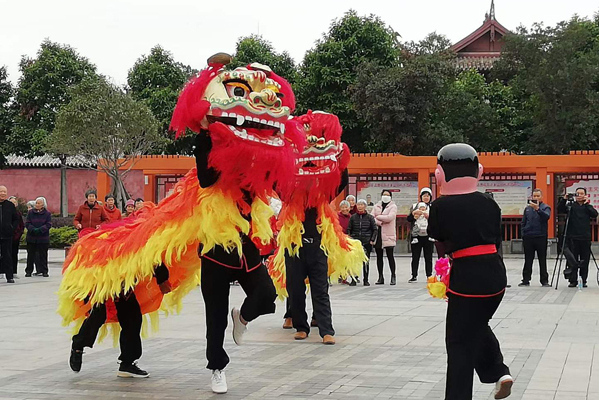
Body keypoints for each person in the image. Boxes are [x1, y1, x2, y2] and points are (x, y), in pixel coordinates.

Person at [428, 143, 512, 400]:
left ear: (440, 174)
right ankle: (499, 372)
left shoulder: (441, 206)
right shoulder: (489, 202)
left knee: (458, 343)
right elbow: (496, 236)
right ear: (479, 171)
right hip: (495, 276)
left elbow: (436, 236)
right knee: (476, 324)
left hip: (467, 278)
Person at [69, 263, 171, 377]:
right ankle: (78, 346)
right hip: (100, 278)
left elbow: (148, 254)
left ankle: (127, 364)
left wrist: (162, 278)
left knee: (132, 319)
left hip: (124, 281)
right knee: (98, 315)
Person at [558, 187, 598, 288]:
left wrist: (587, 203)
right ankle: (573, 280)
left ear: (585, 195)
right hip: (572, 237)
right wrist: (564, 199)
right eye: (577, 193)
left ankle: (583, 279)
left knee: (585, 259)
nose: (579, 195)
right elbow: (560, 210)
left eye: (581, 193)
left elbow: (594, 214)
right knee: (573, 260)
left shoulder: (587, 207)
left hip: (585, 237)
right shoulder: (571, 206)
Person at [519, 189, 551, 287]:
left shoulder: (545, 207)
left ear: (541, 197)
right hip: (528, 237)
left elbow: (546, 217)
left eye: (538, 196)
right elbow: (523, 222)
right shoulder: (527, 208)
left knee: (542, 259)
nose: (536, 198)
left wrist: (538, 209)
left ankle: (544, 280)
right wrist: (523, 232)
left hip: (540, 236)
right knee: (528, 259)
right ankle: (525, 279)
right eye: (534, 196)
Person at [407, 188, 435, 282]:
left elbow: (437, 219)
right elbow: (409, 219)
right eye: (424, 196)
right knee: (415, 256)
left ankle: (429, 275)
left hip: (428, 235)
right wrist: (414, 214)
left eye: (428, 196)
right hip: (416, 235)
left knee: (429, 257)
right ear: (421, 197)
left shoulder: (433, 206)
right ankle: (414, 275)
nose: (426, 197)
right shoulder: (415, 206)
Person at [347, 199, 377, 286]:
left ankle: (366, 279)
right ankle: (354, 279)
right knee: (354, 261)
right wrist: (350, 237)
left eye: (362, 205)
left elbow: (374, 229)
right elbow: (349, 228)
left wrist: (372, 239)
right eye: (358, 205)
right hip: (355, 242)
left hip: (366, 241)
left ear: (365, 206)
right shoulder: (353, 217)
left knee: (365, 261)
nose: (360, 206)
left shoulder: (370, 217)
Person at [372, 190, 397, 285]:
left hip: (388, 234)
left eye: (387, 195)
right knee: (379, 257)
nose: (385, 196)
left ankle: (393, 276)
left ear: (390, 196)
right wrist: (380, 221)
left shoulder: (393, 206)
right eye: (384, 194)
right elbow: (371, 217)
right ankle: (380, 277)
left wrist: (378, 217)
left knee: (390, 256)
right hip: (378, 235)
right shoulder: (376, 206)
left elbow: (390, 217)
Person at [25, 197, 52, 277]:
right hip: (31, 237)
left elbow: (48, 224)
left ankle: (44, 271)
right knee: (30, 255)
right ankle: (28, 271)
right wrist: (33, 229)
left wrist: (40, 230)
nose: (37, 205)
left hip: (43, 238)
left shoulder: (47, 214)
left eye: (39, 203)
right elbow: (27, 223)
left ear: (43, 204)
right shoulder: (30, 213)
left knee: (43, 255)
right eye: (36, 203)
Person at [0, 186, 20, 283]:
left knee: (7, 255)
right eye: (1, 191)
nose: (3, 193)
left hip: (7, 235)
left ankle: (9, 276)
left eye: (4, 192)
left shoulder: (10, 205)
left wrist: (12, 228)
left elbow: (16, 219)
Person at [8, 196, 24, 278]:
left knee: (14, 254)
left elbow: (22, 226)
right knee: (5, 254)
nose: (13, 204)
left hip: (15, 238)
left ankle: (14, 271)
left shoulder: (18, 214)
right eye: (11, 202)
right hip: (6, 237)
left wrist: (18, 235)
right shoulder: (5, 212)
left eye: (14, 203)